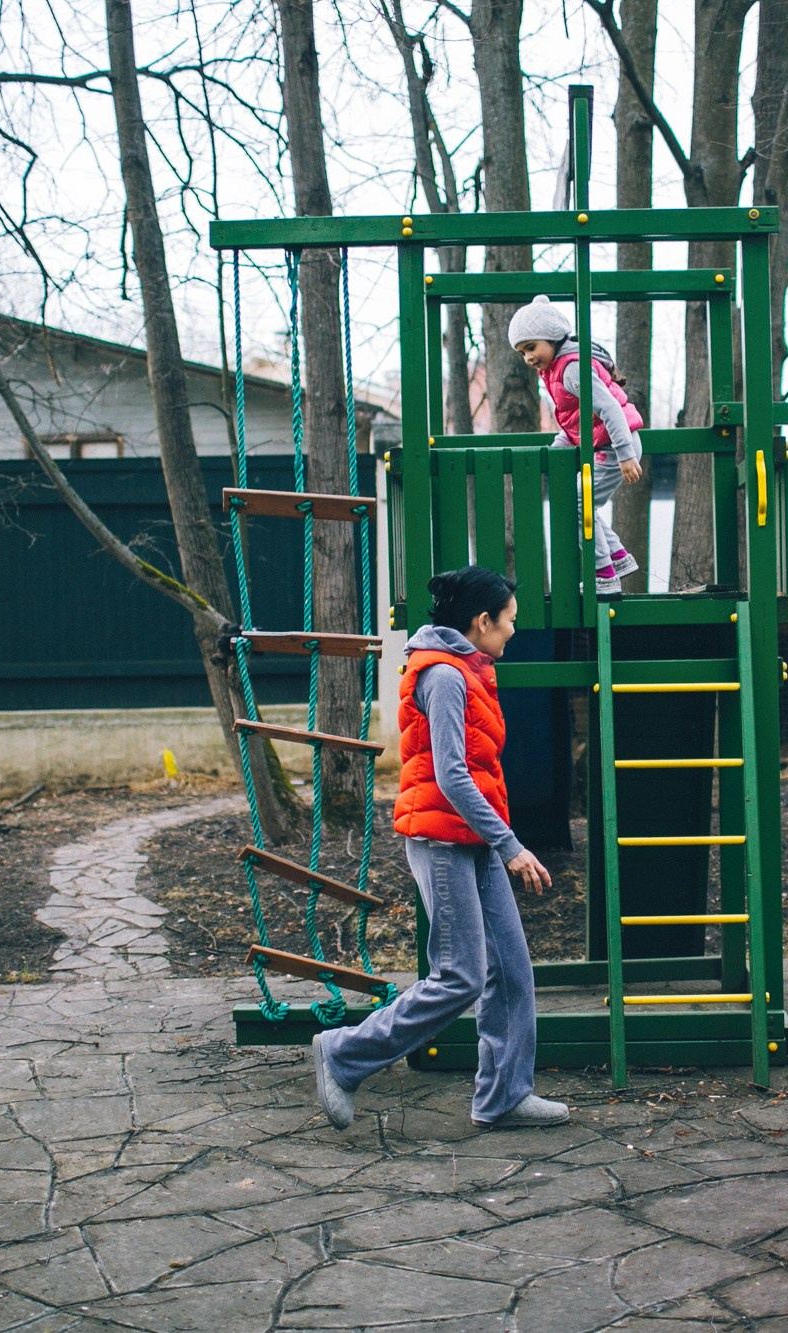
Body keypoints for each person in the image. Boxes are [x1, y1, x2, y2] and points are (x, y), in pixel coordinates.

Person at [312, 565, 567, 1130]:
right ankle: (344, 1053)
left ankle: (504, 1097)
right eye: (510, 621)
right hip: (442, 841)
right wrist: (511, 845)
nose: (514, 630)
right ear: (482, 621)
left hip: (473, 838)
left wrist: (496, 840)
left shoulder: (468, 670)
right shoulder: (445, 676)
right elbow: (452, 775)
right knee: (459, 976)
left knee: (512, 972)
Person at [507, 294, 644, 597]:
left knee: (579, 503)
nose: (528, 357)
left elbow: (610, 409)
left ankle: (605, 576)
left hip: (614, 447)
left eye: (531, 347)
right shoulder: (555, 370)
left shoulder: (571, 369)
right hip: (606, 444)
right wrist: (557, 449)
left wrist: (625, 455)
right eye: (522, 352)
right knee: (581, 502)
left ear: (553, 337)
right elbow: (576, 422)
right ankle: (617, 557)